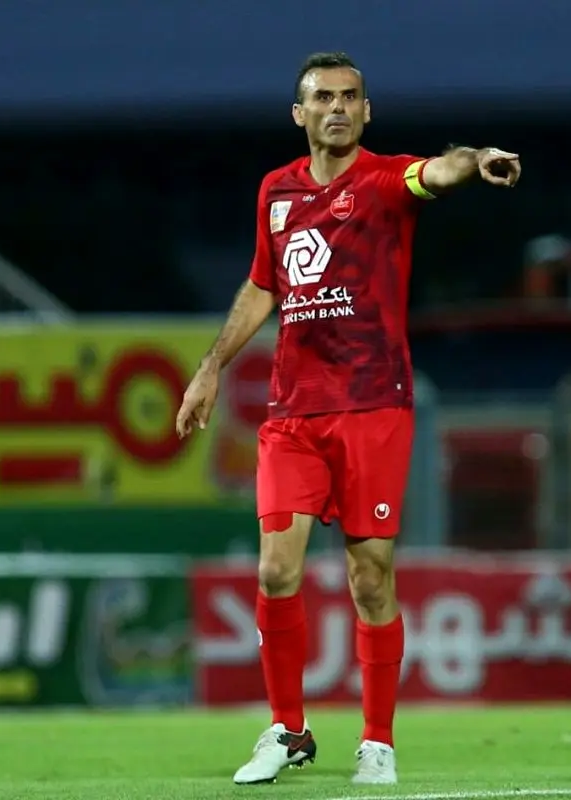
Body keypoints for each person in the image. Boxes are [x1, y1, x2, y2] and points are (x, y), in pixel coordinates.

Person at [175, 51, 520, 786]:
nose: (337, 107)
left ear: (367, 111)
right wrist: (211, 367)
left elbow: (441, 170)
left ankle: (377, 740)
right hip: (294, 410)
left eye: (350, 97)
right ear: (299, 114)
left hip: (373, 406)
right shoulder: (275, 191)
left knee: (369, 577)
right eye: (323, 97)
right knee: (275, 570)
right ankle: (287, 730)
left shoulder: (386, 180)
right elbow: (263, 286)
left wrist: (477, 158)